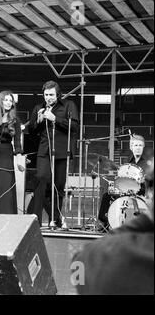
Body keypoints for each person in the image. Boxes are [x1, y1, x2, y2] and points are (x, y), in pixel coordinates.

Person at [71, 156, 154, 295]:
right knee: (106, 196)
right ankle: (102, 221)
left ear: (150, 191)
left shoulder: (99, 256)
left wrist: (147, 217)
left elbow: (77, 266)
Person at [27, 80, 79, 227]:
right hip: (44, 151)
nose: (48, 97)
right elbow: (31, 131)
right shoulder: (39, 108)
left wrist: (55, 118)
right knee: (41, 180)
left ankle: (55, 220)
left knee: (58, 187)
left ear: (58, 95)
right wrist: (37, 121)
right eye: (46, 95)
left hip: (62, 152)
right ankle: (38, 219)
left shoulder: (69, 105)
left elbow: (74, 126)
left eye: (51, 95)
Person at [98, 134, 149, 230]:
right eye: (135, 145)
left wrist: (144, 179)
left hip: (141, 191)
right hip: (127, 190)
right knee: (106, 196)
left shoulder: (147, 163)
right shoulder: (129, 161)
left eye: (140, 145)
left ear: (143, 147)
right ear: (131, 147)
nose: (138, 148)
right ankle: (105, 222)